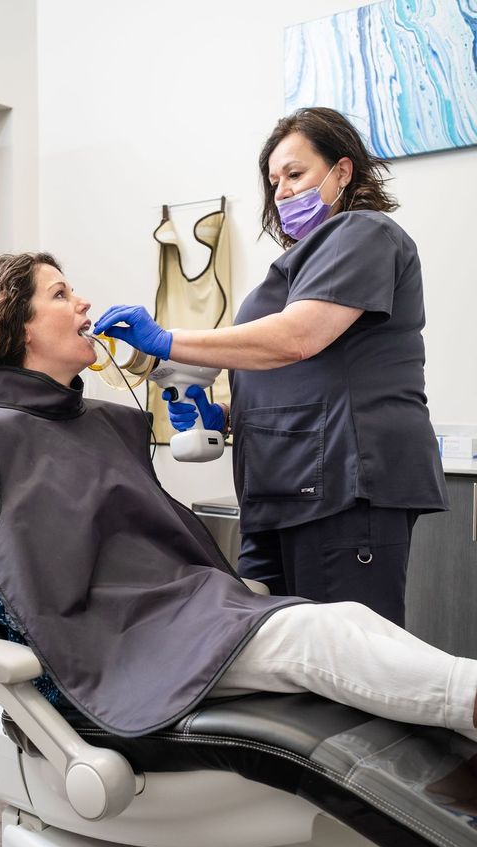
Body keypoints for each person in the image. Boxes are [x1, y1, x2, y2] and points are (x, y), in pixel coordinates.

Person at [0, 252, 477, 744]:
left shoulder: (96, 420)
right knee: (316, 638)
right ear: (15, 323)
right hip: (108, 649)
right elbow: (18, 596)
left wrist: (216, 417)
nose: (84, 305)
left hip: (167, 617)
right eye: (60, 294)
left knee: (344, 619)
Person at [94, 107, 448, 628]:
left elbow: (298, 339)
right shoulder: (300, 262)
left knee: (346, 660)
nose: (281, 190)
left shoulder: (363, 233)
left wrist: (167, 341)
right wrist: (227, 415)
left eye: (295, 173)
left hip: (344, 487)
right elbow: (300, 376)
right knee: (280, 658)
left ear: (342, 171)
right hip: (283, 491)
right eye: (274, 179)